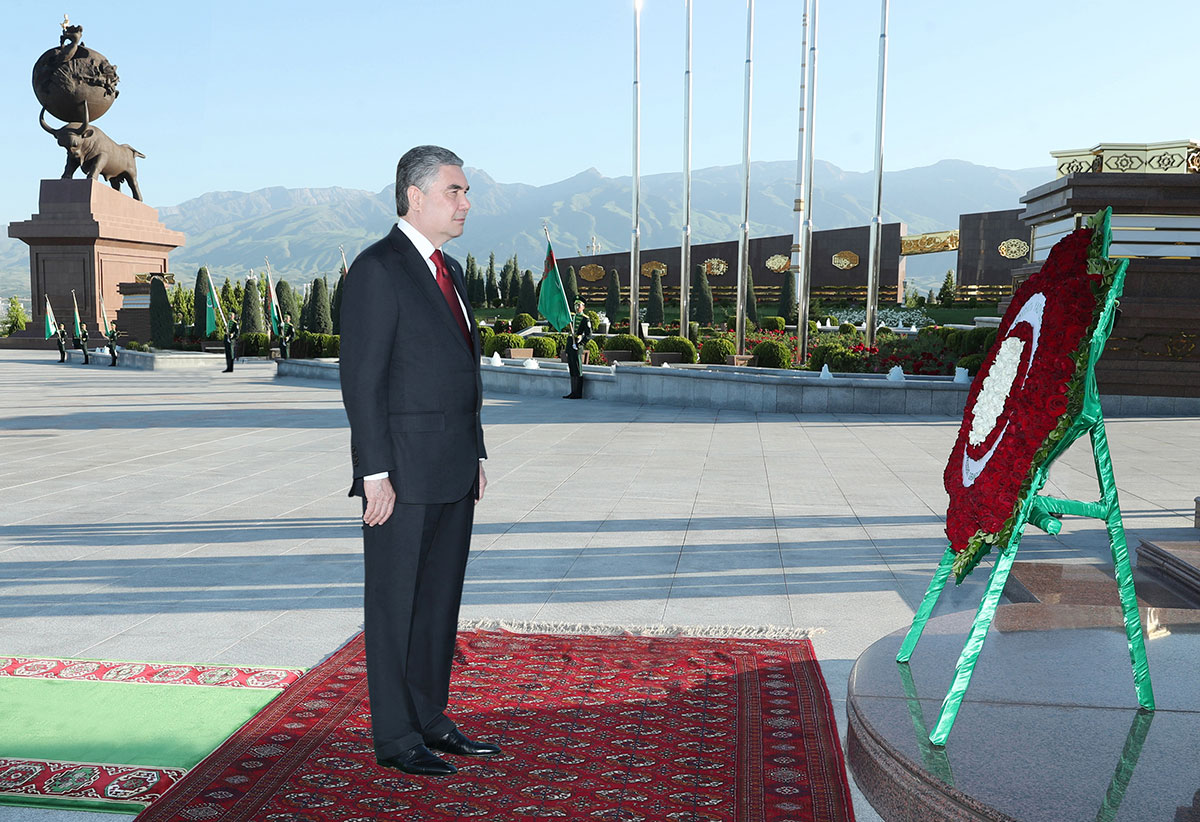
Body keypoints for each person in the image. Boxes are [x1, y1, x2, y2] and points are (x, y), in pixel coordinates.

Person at [339, 145, 496, 777]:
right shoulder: (379, 270)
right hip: (401, 474)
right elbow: (363, 380)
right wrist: (372, 472)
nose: (466, 203)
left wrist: (476, 448)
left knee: (438, 602)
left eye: (465, 192)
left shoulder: (449, 270)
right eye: (455, 191)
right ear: (416, 196)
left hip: (454, 466)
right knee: (395, 604)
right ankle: (397, 737)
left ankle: (431, 717)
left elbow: (460, 369)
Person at [563, 300, 593, 400]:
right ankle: (573, 391)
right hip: (570, 343)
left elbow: (588, 335)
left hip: (577, 344)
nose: (577, 307)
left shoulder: (585, 319)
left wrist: (580, 343)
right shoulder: (571, 316)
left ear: (583, 307)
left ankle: (578, 393)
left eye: (579, 305)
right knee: (571, 367)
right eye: (575, 305)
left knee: (577, 368)